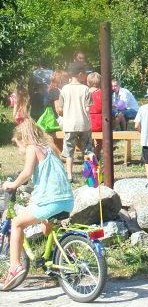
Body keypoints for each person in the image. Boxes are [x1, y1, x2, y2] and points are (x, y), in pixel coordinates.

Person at [1, 119, 74, 291]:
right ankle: (66, 257)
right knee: (47, 227)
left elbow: (27, 172)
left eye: (17, 144)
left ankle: (15, 266)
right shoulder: (51, 149)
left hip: (50, 201)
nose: (19, 150)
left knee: (16, 223)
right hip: (67, 200)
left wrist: (13, 184)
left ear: (24, 138)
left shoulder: (32, 148)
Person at [56, 62, 94, 181]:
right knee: (87, 149)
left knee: (69, 151)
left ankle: (69, 175)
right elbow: (88, 109)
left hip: (69, 125)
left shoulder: (64, 89)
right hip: (84, 124)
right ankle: (89, 175)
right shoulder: (86, 89)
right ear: (80, 74)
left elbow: (60, 109)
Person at [86, 72, 103, 156]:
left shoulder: (85, 92)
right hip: (99, 122)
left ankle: (91, 152)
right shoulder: (102, 93)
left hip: (87, 122)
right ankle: (97, 153)